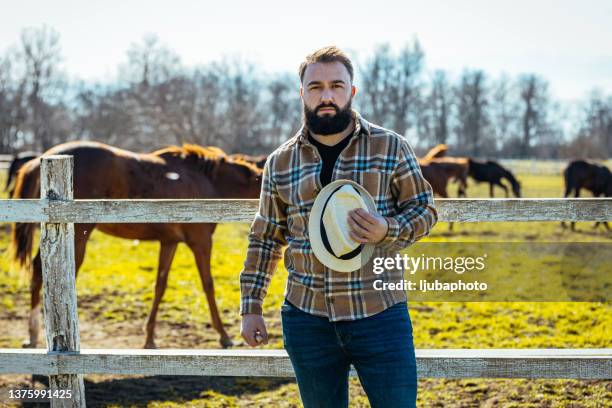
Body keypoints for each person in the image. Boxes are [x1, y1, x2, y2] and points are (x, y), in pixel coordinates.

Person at [240, 45, 437, 408]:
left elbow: (424, 210)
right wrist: (251, 306)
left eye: (336, 85)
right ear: (302, 94)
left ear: (352, 91)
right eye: (315, 87)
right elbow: (265, 238)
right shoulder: (280, 162)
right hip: (307, 318)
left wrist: (387, 230)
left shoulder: (390, 147)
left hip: (379, 313)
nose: (326, 95)